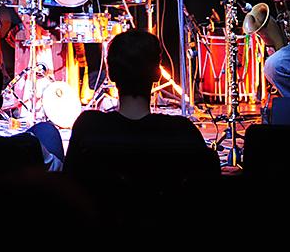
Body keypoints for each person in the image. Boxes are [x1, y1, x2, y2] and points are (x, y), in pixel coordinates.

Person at [64, 31, 216, 194]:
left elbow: (69, 183)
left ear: (111, 74)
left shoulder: (88, 127)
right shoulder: (183, 131)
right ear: (158, 73)